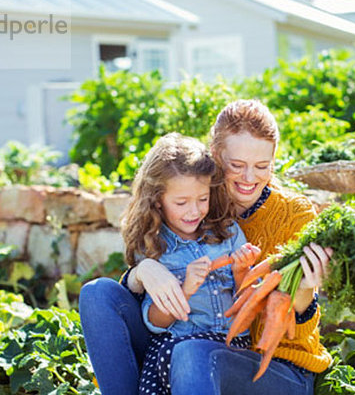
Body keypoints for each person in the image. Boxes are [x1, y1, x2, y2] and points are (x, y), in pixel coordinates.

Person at [79, 100, 333, 395]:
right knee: (98, 293)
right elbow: (151, 295)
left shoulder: (293, 214)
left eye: (262, 166)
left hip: (275, 368)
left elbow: (296, 326)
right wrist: (142, 271)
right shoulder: (195, 199)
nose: (249, 178)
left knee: (191, 353)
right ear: (215, 156)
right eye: (237, 166)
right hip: (186, 345)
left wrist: (303, 291)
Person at [116, 132, 260, 394]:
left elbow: (250, 309)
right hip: (180, 348)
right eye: (181, 202)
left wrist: (242, 272)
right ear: (157, 200)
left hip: (232, 348)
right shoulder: (153, 248)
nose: (194, 211)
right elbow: (154, 321)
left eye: (202, 199)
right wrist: (185, 291)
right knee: (183, 354)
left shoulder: (228, 233)